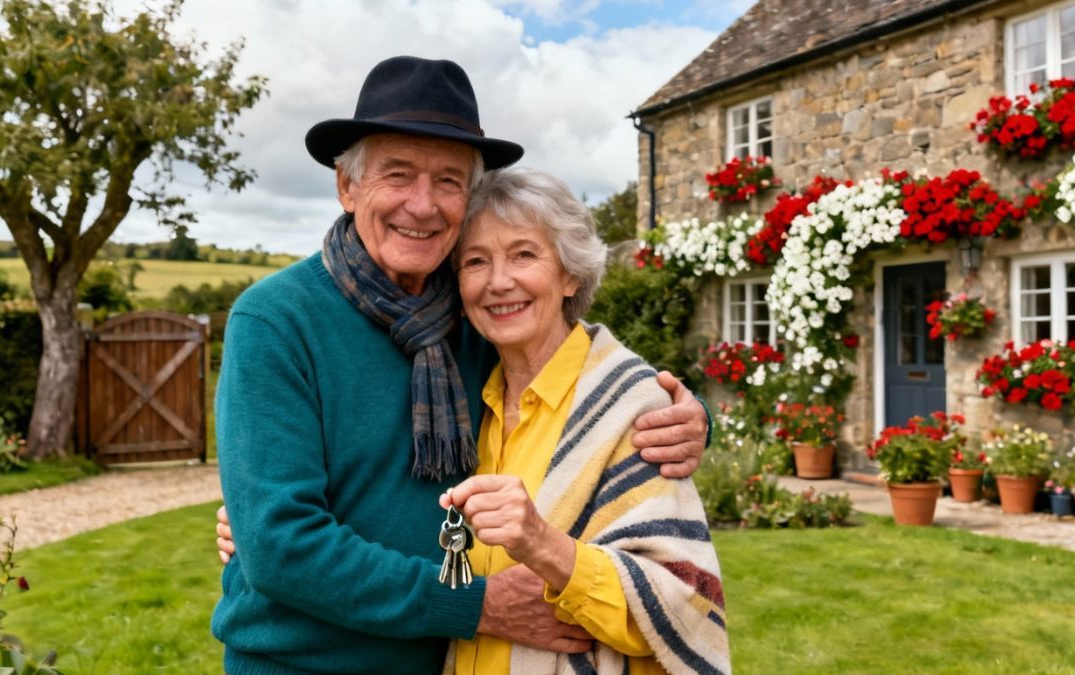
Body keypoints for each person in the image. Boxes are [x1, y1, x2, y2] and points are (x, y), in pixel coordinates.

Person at [213, 55, 710, 674]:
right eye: (398, 174)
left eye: (448, 181)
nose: (422, 205)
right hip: (305, 664)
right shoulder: (276, 321)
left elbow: (586, 377)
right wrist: (472, 605)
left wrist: (687, 417)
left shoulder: (479, 315)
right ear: (347, 186)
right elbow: (281, 545)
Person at [441, 166, 730, 673]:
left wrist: (542, 543)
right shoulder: (464, 395)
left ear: (570, 271)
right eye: (475, 261)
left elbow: (686, 605)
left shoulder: (633, 407)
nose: (498, 281)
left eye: (524, 254)